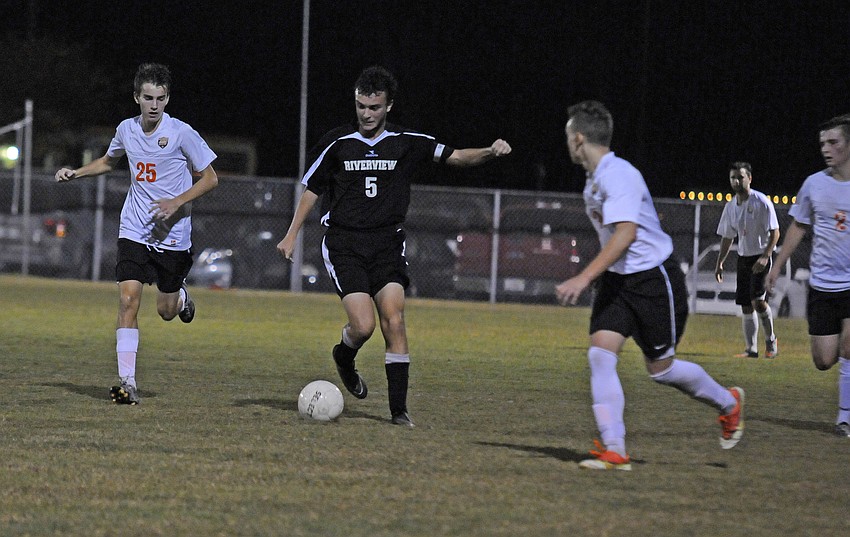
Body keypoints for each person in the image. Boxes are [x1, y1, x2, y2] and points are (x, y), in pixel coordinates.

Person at [277, 65, 511, 427]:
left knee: (395, 320)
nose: (366, 114)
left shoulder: (408, 142)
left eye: (374, 107)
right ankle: (344, 355)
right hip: (344, 244)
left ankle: (398, 411)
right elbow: (311, 189)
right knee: (364, 326)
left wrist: (490, 152)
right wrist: (292, 233)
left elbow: (458, 157)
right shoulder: (337, 143)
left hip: (387, 244)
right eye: (361, 107)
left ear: (389, 106)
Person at [555, 100, 744, 470]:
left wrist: (584, 276)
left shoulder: (617, 174)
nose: (566, 144)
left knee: (662, 370)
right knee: (600, 355)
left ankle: (729, 403)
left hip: (653, 279)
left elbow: (626, 233)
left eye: (566, 137)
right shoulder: (593, 180)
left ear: (578, 139)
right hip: (618, 282)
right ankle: (615, 450)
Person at [55, 63, 218, 405]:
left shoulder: (181, 132)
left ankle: (182, 297)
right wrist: (77, 173)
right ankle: (127, 382)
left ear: (167, 98)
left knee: (166, 310)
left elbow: (210, 178)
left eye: (160, 98)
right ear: (136, 97)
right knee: (128, 300)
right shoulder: (127, 130)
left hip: (172, 235)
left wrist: (177, 200)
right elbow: (107, 161)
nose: (154, 105)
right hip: (134, 228)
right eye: (148, 98)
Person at [767, 113, 850, 438]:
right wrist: (776, 266)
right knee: (824, 359)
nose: (826, 149)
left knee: (848, 350)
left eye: (833, 142)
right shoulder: (814, 184)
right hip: (823, 286)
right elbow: (799, 226)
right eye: (822, 144)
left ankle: (844, 417)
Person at [715, 162, 780, 358]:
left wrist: (766, 256)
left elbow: (775, 232)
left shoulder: (761, 201)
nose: (736, 181)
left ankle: (771, 341)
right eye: (733, 177)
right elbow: (727, 237)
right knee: (745, 304)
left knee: (757, 302)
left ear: (749, 178)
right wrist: (719, 263)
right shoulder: (730, 206)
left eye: (740, 177)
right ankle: (751, 349)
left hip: (760, 256)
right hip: (743, 258)